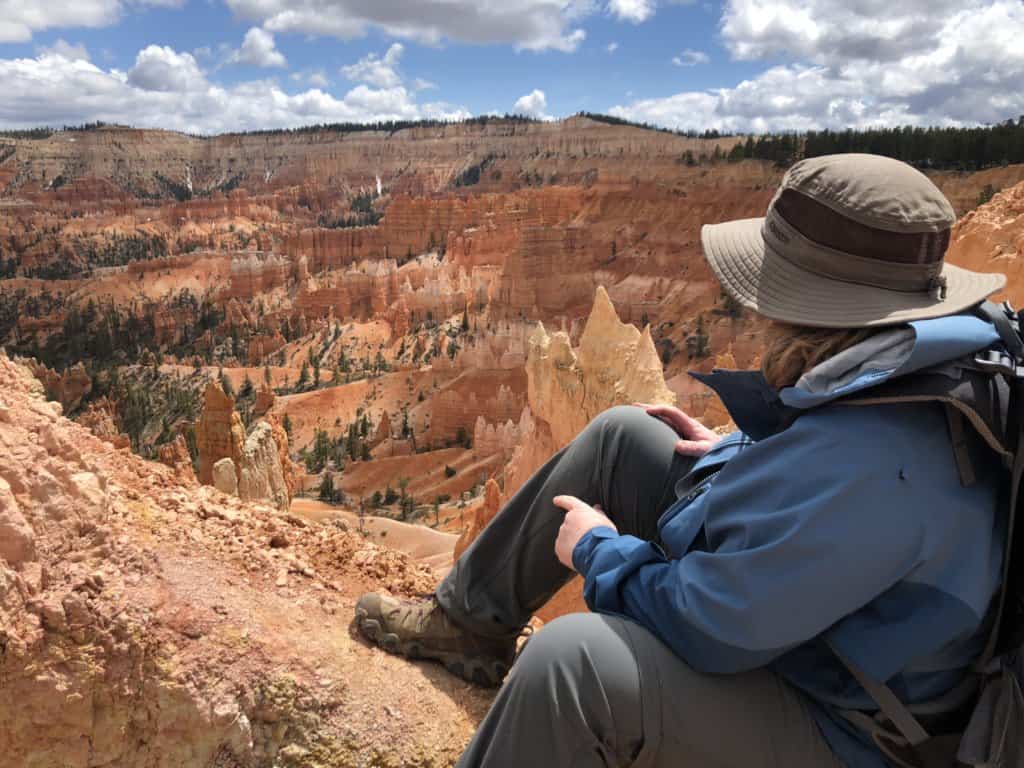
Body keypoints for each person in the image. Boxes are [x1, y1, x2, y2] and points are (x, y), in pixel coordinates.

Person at [354, 154, 1009, 768]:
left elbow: (713, 626)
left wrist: (597, 550)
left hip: (853, 729)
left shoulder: (879, 462)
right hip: (827, 639)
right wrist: (734, 452)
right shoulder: (915, 365)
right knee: (622, 436)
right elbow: (825, 459)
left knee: (572, 666)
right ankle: (466, 625)